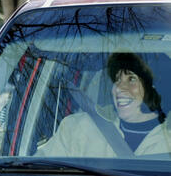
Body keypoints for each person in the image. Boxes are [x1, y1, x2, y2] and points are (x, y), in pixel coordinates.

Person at [36, 53, 170, 157]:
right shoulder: (76, 128)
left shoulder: (167, 137)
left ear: (154, 86)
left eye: (131, 79)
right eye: (117, 80)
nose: (119, 88)